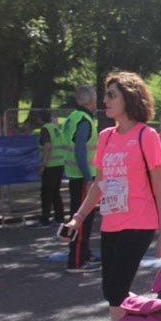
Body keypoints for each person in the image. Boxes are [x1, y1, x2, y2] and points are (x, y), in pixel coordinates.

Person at [61, 72, 161, 321]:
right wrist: (77, 219)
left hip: (139, 223)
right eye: (105, 95)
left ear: (129, 99)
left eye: (112, 95)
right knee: (111, 289)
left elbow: (160, 187)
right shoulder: (105, 136)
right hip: (111, 222)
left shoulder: (146, 135)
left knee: (116, 290)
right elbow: (99, 184)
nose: (105, 101)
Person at [63, 85, 100, 272]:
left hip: (74, 173)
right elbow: (79, 149)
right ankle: (76, 260)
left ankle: (83, 253)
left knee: (81, 215)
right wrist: (88, 177)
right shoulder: (84, 120)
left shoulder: (73, 117)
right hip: (83, 175)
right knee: (82, 217)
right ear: (91, 100)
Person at [37, 113, 66, 227]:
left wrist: (43, 165)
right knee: (55, 192)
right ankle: (59, 217)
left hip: (50, 164)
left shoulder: (45, 129)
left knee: (46, 192)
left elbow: (47, 146)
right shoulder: (56, 128)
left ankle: (45, 219)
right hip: (59, 163)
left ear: (40, 119)